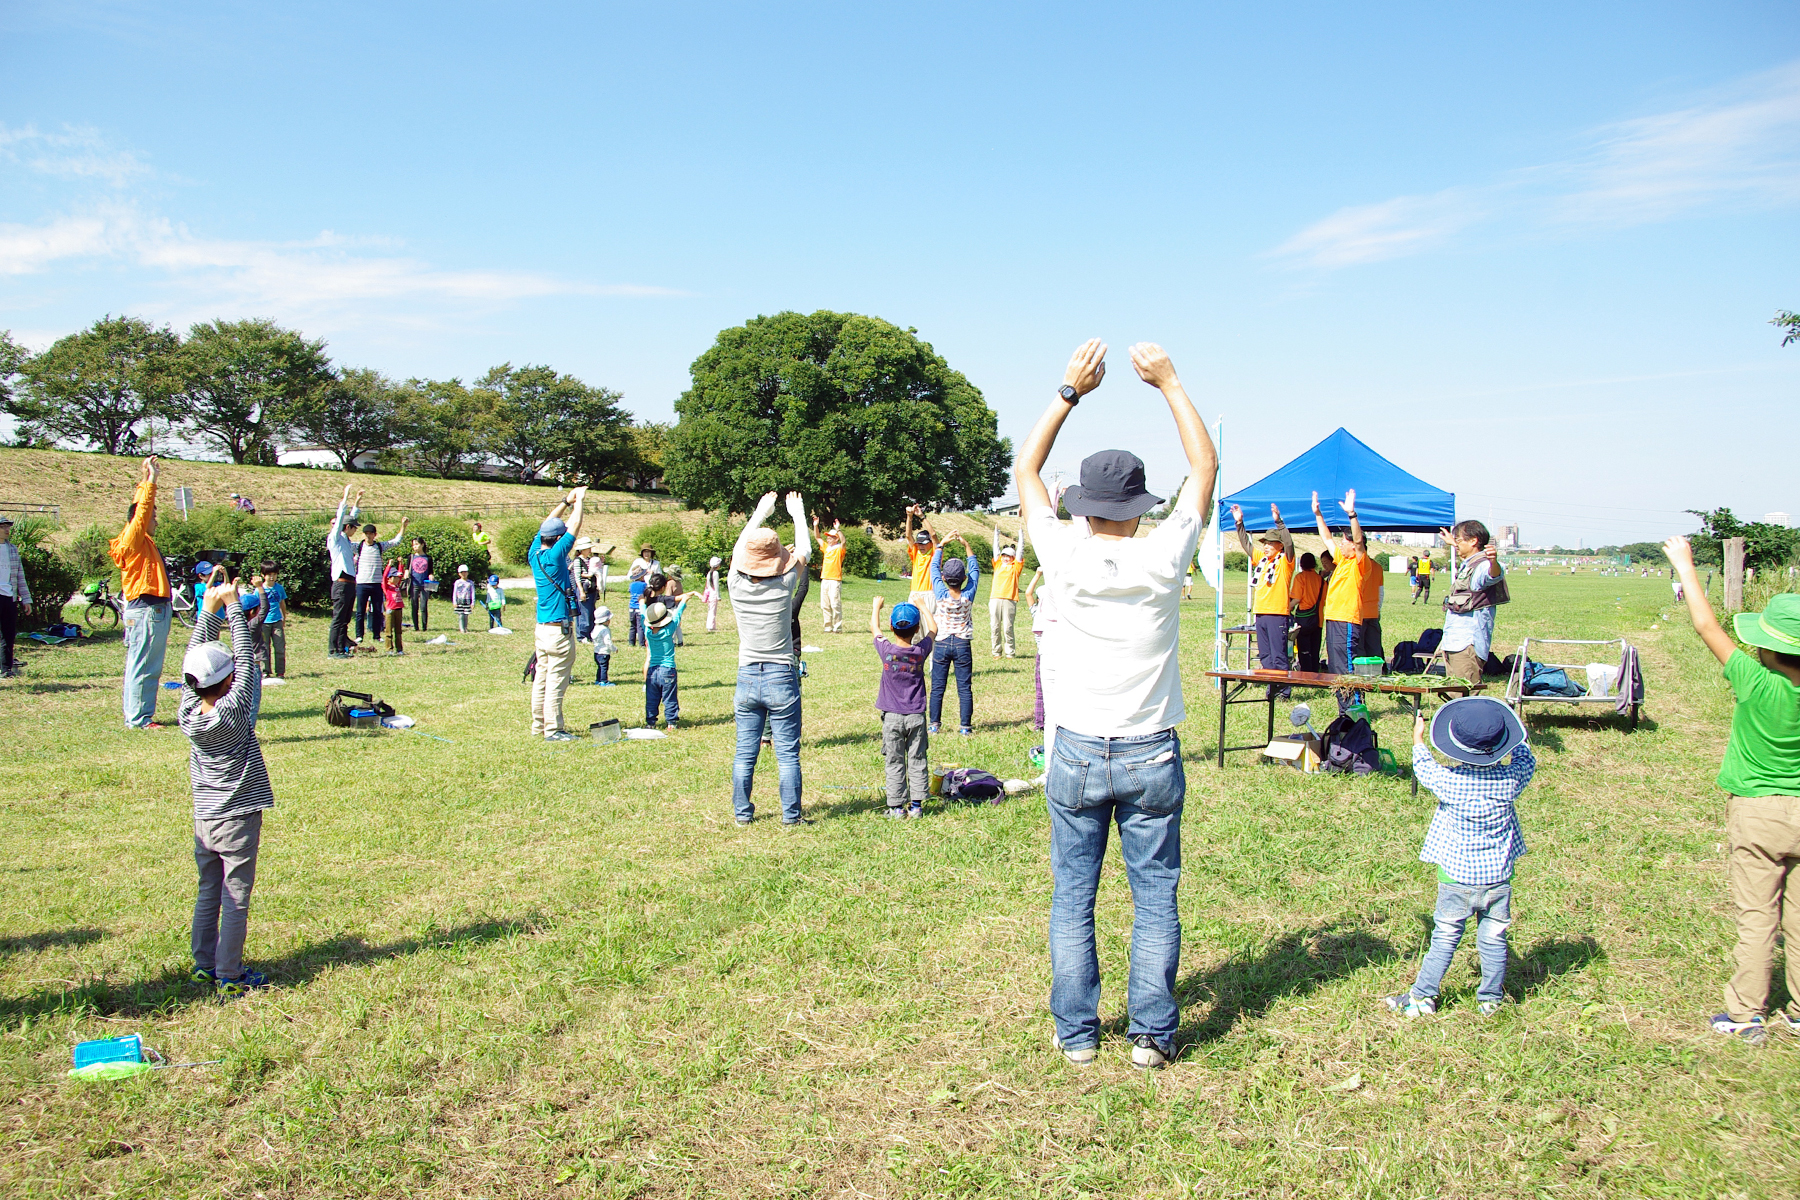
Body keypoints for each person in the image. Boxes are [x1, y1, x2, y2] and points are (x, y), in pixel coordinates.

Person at [1018, 338, 1217, 1071]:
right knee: (1154, 897)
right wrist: (1169, 382)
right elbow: (1204, 468)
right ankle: (1151, 1037)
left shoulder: (1060, 553)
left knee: (1074, 895)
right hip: (1151, 749)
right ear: (1138, 508)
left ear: (1083, 506)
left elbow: (1027, 469)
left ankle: (1077, 1036)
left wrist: (1069, 391)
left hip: (1075, 748)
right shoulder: (1165, 556)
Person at [1665, 536, 1800, 1044]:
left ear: (1766, 646)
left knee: (1757, 914)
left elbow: (1706, 625)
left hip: (1758, 814)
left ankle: (1746, 1013)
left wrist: (1684, 563)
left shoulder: (1754, 680)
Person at [1384, 698, 1534, 1018]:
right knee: (1494, 938)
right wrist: (1515, 730)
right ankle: (1491, 998)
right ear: (1501, 741)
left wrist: (1418, 737)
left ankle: (1423, 996)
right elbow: (1524, 756)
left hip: (1456, 879)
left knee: (1445, 937)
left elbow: (1423, 766)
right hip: (1498, 879)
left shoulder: (1450, 782)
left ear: (1454, 743)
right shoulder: (1511, 781)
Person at [180, 568, 274, 996]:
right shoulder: (235, 710)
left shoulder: (188, 712)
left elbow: (196, 657)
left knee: (208, 890)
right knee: (236, 896)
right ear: (231, 680)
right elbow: (245, 651)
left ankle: (204, 964)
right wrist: (234, 604)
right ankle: (229, 975)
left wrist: (208, 611)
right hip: (237, 819)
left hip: (205, 818)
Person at [728, 491, 812, 826]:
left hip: (746, 675)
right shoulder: (785, 582)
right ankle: (791, 817)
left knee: (744, 753)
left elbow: (739, 548)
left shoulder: (734, 580)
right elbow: (804, 550)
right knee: (787, 754)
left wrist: (761, 511)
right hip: (781, 674)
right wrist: (797, 512)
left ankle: (742, 815)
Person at [109, 456, 174, 728]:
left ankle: (139, 716)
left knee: (146, 664)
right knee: (144, 665)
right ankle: (138, 718)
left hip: (151, 610)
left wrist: (145, 478)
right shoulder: (134, 537)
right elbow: (142, 509)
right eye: (153, 517)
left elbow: (140, 509)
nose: (155, 521)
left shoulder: (138, 539)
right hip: (147, 610)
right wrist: (151, 480)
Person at [529, 487, 587, 742]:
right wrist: (580, 501)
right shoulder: (555, 556)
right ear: (558, 538)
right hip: (558, 630)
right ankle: (554, 730)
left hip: (542, 628)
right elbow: (575, 525)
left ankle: (538, 726)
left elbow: (547, 525)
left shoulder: (535, 553)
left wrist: (566, 500)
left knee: (541, 679)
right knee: (556, 682)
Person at [871, 596, 937, 819]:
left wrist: (876, 607)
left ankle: (897, 808)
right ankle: (917, 807)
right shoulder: (920, 652)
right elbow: (934, 630)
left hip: (891, 718)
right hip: (916, 716)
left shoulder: (886, 650)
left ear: (892, 626)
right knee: (917, 759)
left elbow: (874, 629)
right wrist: (923, 607)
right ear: (917, 628)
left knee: (894, 760)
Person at [1233, 502, 1295, 697]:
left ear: (1279, 546)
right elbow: (1247, 546)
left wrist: (1280, 523)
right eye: (1265, 543)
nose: (1266, 546)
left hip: (1277, 614)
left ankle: (1284, 689)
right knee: (1266, 655)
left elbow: (1291, 545)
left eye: (1270, 543)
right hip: (1261, 613)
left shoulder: (1285, 561)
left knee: (1279, 655)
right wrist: (1239, 524)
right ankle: (1272, 686)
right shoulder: (1262, 560)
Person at [1440, 520, 1506, 690]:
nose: (1456, 545)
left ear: (1473, 541)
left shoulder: (1483, 564)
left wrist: (1493, 562)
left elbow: (1493, 575)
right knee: (1454, 694)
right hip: (1454, 642)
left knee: (1464, 696)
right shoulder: (1469, 563)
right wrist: (1454, 542)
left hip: (1467, 644)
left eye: (1459, 540)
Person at [928, 535, 981, 736]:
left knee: (937, 687)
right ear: (964, 579)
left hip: (941, 643)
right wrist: (967, 544)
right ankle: (965, 727)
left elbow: (933, 567)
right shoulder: (968, 594)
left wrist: (941, 545)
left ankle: (934, 724)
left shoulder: (940, 593)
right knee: (964, 687)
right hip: (962, 643)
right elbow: (975, 571)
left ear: (943, 578)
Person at [1312, 489, 1365, 682]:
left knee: (1346, 666)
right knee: (1335, 667)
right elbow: (1326, 538)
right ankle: (1344, 710)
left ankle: (1354, 710)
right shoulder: (1341, 560)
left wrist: (1352, 515)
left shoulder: (1359, 563)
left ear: (1353, 545)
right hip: (1333, 618)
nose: (1340, 545)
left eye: (1344, 541)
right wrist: (1318, 514)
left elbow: (1358, 540)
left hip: (1347, 620)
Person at [643, 590, 697, 731]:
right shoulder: (669, 629)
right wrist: (684, 600)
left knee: (651, 698)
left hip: (652, 670)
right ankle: (671, 722)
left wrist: (643, 603)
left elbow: (644, 613)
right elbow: (678, 614)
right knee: (670, 697)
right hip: (668, 669)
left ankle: (650, 722)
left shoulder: (647, 630)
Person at [353, 517, 407, 645]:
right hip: (362, 583)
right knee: (360, 611)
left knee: (378, 610)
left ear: (375, 535)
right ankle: (359, 635)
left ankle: (376, 635)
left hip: (377, 584)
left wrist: (403, 526)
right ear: (363, 534)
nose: (368, 536)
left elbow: (396, 541)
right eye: (366, 534)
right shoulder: (358, 547)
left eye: (371, 534)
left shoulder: (379, 546)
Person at [326, 485, 363, 658]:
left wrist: (357, 503)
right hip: (340, 583)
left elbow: (351, 517)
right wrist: (346, 497)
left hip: (349, 583)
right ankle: (333, 650)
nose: (355, 530)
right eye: (353, 527)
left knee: (345, 619)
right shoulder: (335, 539)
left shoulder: (347, 542)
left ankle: (342, 648)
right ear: (347, 527)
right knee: (338, 618)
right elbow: (342, 516)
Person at [0, 516, 33, 678]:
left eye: (8, 527)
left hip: (9, 597)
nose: (6, 530)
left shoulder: (12, 549)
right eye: (2, 527)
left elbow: (20, 575)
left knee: (8, 634)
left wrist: (26, 599)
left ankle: (6, 669)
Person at [988, 532, 1026, 658]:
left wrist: (1021, 534)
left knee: (1007, 628)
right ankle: (996, 652)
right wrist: (996, 533)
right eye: (1004, 555)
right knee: (995, 627)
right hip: (995, 598)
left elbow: (1020, 551)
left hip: (1010, 599)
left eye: (1009, 556)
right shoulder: (997, 564)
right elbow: (995, 549)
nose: (1005, 558)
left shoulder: (1016, 567)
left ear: (1013, 558)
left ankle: (1010, 652)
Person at [902, 505, 940, 614]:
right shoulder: (916, 553)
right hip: (914, 593)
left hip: (929, 593)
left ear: (930, 544)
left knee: (929, 626)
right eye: (919, 544)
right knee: (914, 627)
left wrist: (922, 516)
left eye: (924, 544)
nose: (921, 546)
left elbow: (933, 535)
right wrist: (909, 517)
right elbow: (908, 536)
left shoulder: (934, 554)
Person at [1291, 552, 1324, 674]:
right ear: (1314, 564)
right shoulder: (1321, 580)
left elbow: (1297, 598)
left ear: (1301, 564)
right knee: (1315, 649)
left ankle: (1305, 674)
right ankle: (1315, 672)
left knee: (1304, 649)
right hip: (1318, 618)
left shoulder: (1300, 577)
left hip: (1303, 620)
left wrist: (1287, 608)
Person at [254, 562, 287, 678]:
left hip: (277, 620)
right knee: (264, 648)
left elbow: (282, 603)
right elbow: (256, 605)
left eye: (274, 574)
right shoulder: (259, 589)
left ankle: (280, 672)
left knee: (279, 647)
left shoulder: (279, 588)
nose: (272, 577)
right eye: (269, 574)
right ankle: (265, 671)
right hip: (264, 622)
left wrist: (284, 617)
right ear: (263, 575)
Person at [815, 517, 846, 633]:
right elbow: (817, 537)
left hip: (835, 580)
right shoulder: (826, 548)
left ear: (836, 539)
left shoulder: (839, 549)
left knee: (835, 604)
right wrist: (815, 525)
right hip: (825, 579)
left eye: (830, 537)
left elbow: (844, 542)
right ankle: (828, 626)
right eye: (827, 537)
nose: (828, 538)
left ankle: (837, 627)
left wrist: (838, 529)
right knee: (825, 604)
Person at [1357, 537, 1386, 666]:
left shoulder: (1357, 566)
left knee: (1360, 649)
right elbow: (1381, 592)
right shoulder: (1378, 567)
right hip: (1373, 612)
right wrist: (1378, 609)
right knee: (1374, 648)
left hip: (1359, 613)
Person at [572, 537, 599, 642]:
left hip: (591, 589)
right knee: (584, 613)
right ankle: (582, 635)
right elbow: (577, 577)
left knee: (591, 612)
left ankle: (590, 634)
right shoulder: (578, 561)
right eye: (588, 548)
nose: (590, 550)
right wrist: (581, 592)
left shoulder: (589, 560)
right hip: (584, 588)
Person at [381, 559, 406, 655]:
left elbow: (401, 574)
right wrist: (388, 566)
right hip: (390, 610)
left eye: (397, 577)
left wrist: (401, 564)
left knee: (398, 631)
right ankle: (389, 649)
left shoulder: (397, 586)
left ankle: (399, 649)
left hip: (398, 609)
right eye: (394, 577)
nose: (397, 579)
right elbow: (383, 578)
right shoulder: (387, 587)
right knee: (388, 631)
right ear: (389, 578)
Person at [407, 537, 432, 631]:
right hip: (414, 584)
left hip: (425, 585)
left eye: (416, 544)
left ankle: (424, 626)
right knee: (414, 605)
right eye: (413, 545)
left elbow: (430, 571)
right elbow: (407, 569)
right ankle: (416, 627)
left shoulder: (428, 558)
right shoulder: (411, 557)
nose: (415, 546)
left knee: (423, 606)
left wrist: (431, 576)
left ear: (422, 544)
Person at [591, 605, 614, 685]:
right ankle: (604, 681)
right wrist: (613, 648)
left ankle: (598, 680)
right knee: (604, 667)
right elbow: (607, 641)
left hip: (596, 652)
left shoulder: (596, 628)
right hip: (604, 652)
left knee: (599, 667)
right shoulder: (605, 629)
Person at [452, 564, 475, 632]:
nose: (464, 574)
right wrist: (454, 601)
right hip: (459, 600)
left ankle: (465, 627)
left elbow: (473, 592)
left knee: (466, 615)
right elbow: (455, 592)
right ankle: (461, 628)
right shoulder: (457, 582)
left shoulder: (470, 583)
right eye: (462, 572)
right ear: (459, 574)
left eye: (465, 572)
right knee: (461, 615)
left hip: (467, 600)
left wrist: (472, 602)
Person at [704, 556, 723, 633]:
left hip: (709, 593)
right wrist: (718, 596)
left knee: (711, 609)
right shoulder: (716, 573)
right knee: (712, 610)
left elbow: (708, 585)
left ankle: (712, 625)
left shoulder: (709, 573)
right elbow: (716, 586)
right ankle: (710, 626)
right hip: (713, 593)